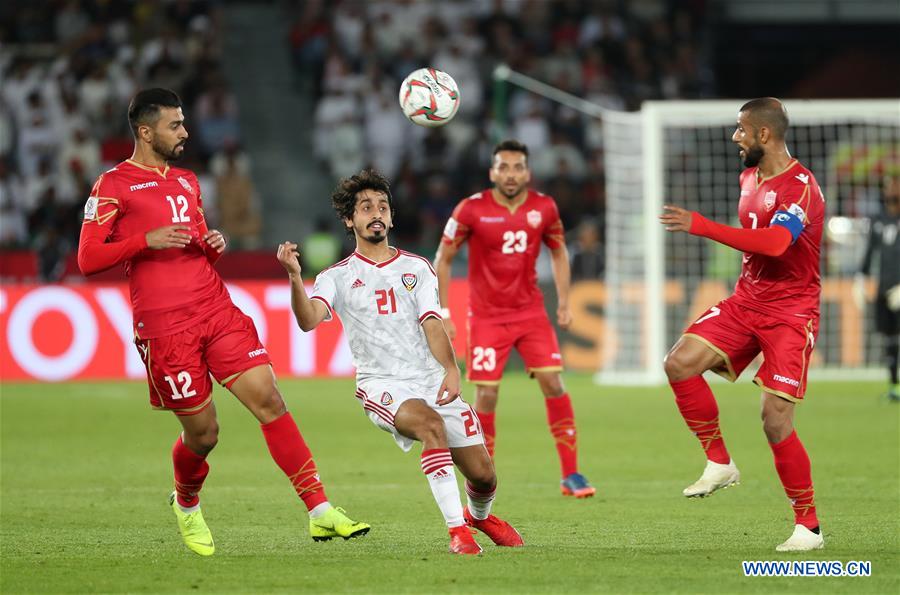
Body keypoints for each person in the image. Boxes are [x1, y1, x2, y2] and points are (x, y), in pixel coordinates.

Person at [77, 88, 369, 557]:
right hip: (165, 327)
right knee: (204, 434)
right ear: (146, 131)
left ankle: (320, 510)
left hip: (215, 308)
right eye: (175, 125)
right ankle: (186, 501)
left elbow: (190, 240)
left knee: (269, 398)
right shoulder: (113, 184)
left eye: (183, 122)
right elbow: (88, 258)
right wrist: (144, 240)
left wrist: (209, 244)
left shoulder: (188, 180)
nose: (185, 132)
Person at [276, 169, 523, 555]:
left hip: (429, 377)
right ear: (349, 220)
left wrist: (451, 369)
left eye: (383, 207)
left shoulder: (417, 268)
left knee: (484, 476)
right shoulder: (336, 277)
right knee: (430, 426)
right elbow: (308, 320)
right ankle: (457, 532)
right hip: (382, 383)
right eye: (365, 207)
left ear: (391, 218)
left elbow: (432, 323)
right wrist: (295, 277)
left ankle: (478, 516)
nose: (376, 213)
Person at [659, 98, 824, 552]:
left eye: (741, 130)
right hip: (746, 301)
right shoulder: (748, 177)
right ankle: (719, 462)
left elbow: (775, 243)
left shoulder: (802, 188)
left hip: (791, 313)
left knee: (774, 420)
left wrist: (701, 225)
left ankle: (808, 526)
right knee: (679, 363)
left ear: (763, 134)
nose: (736, 137)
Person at [435, 139, 596, 498]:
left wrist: (565, 302)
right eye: (503, 167)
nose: (510, 174)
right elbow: (443, 259)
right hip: (487, 318)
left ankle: (571, 474)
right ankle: (484, 478)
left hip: (530, 313)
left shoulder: (544, 207)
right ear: (492, 172)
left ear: (528, 172)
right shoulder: (471, 209)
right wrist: (444, 312)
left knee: (554, 383)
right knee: (487, 394)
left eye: (517, 167)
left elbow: (559, 252)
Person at [856, 174, 900, 401]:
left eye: (895, 186)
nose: (890, 190)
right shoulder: (878, 219)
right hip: (884, 289)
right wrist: (860, 278)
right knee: (889, 339)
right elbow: (870, 251)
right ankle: (894, 387)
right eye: (888, 186)